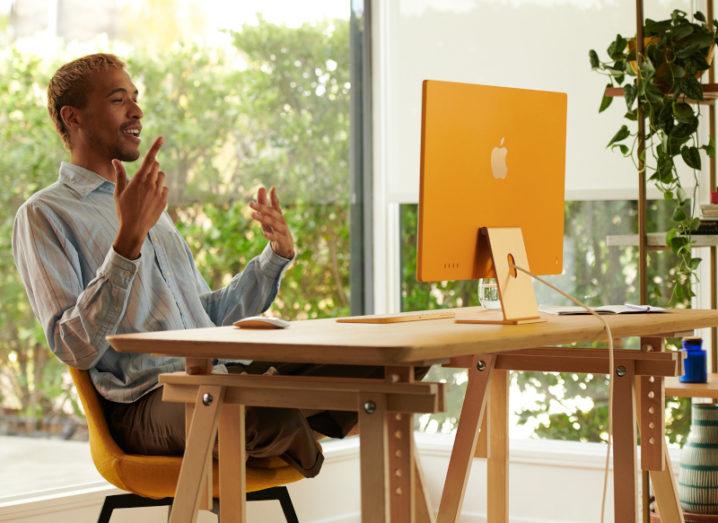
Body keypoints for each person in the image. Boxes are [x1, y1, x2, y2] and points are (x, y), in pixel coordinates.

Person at [12, 53, 340, 478]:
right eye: (118, 100)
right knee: (253, 413)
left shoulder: (149, 205)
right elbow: (73, 345)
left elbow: (208, 320)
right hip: (145, 401)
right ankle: (285, 420)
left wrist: (273, 258)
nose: (137, 111)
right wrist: (126, 245)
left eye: (135, 97)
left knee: (375, 371)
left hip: (212, 374)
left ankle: (282, 416)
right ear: (73, 117)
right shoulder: (44, 214)